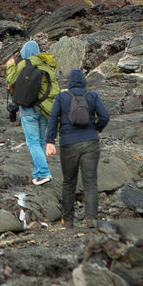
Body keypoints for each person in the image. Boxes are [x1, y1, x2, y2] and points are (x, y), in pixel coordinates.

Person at [46, 68, 110, 227]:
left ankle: (67, 220)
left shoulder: (62, 97)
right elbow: (105, 116)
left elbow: (53, 118)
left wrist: (50, 141)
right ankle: (91, 219)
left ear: (69, 82)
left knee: (68, 182)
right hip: (90, 142)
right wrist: (97, 128)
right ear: (83, 81)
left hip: (68, 143)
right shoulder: (92, 96)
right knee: (90, 182)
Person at [5, 40, 60, 186]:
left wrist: (10, 66)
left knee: (33, 142)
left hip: (28, 109)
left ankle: (43, 173)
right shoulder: (46, 66)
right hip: (43, 109)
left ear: (24, 52)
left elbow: (11, 80)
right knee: (40, 141)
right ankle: (37, 173)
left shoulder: (23, 64)